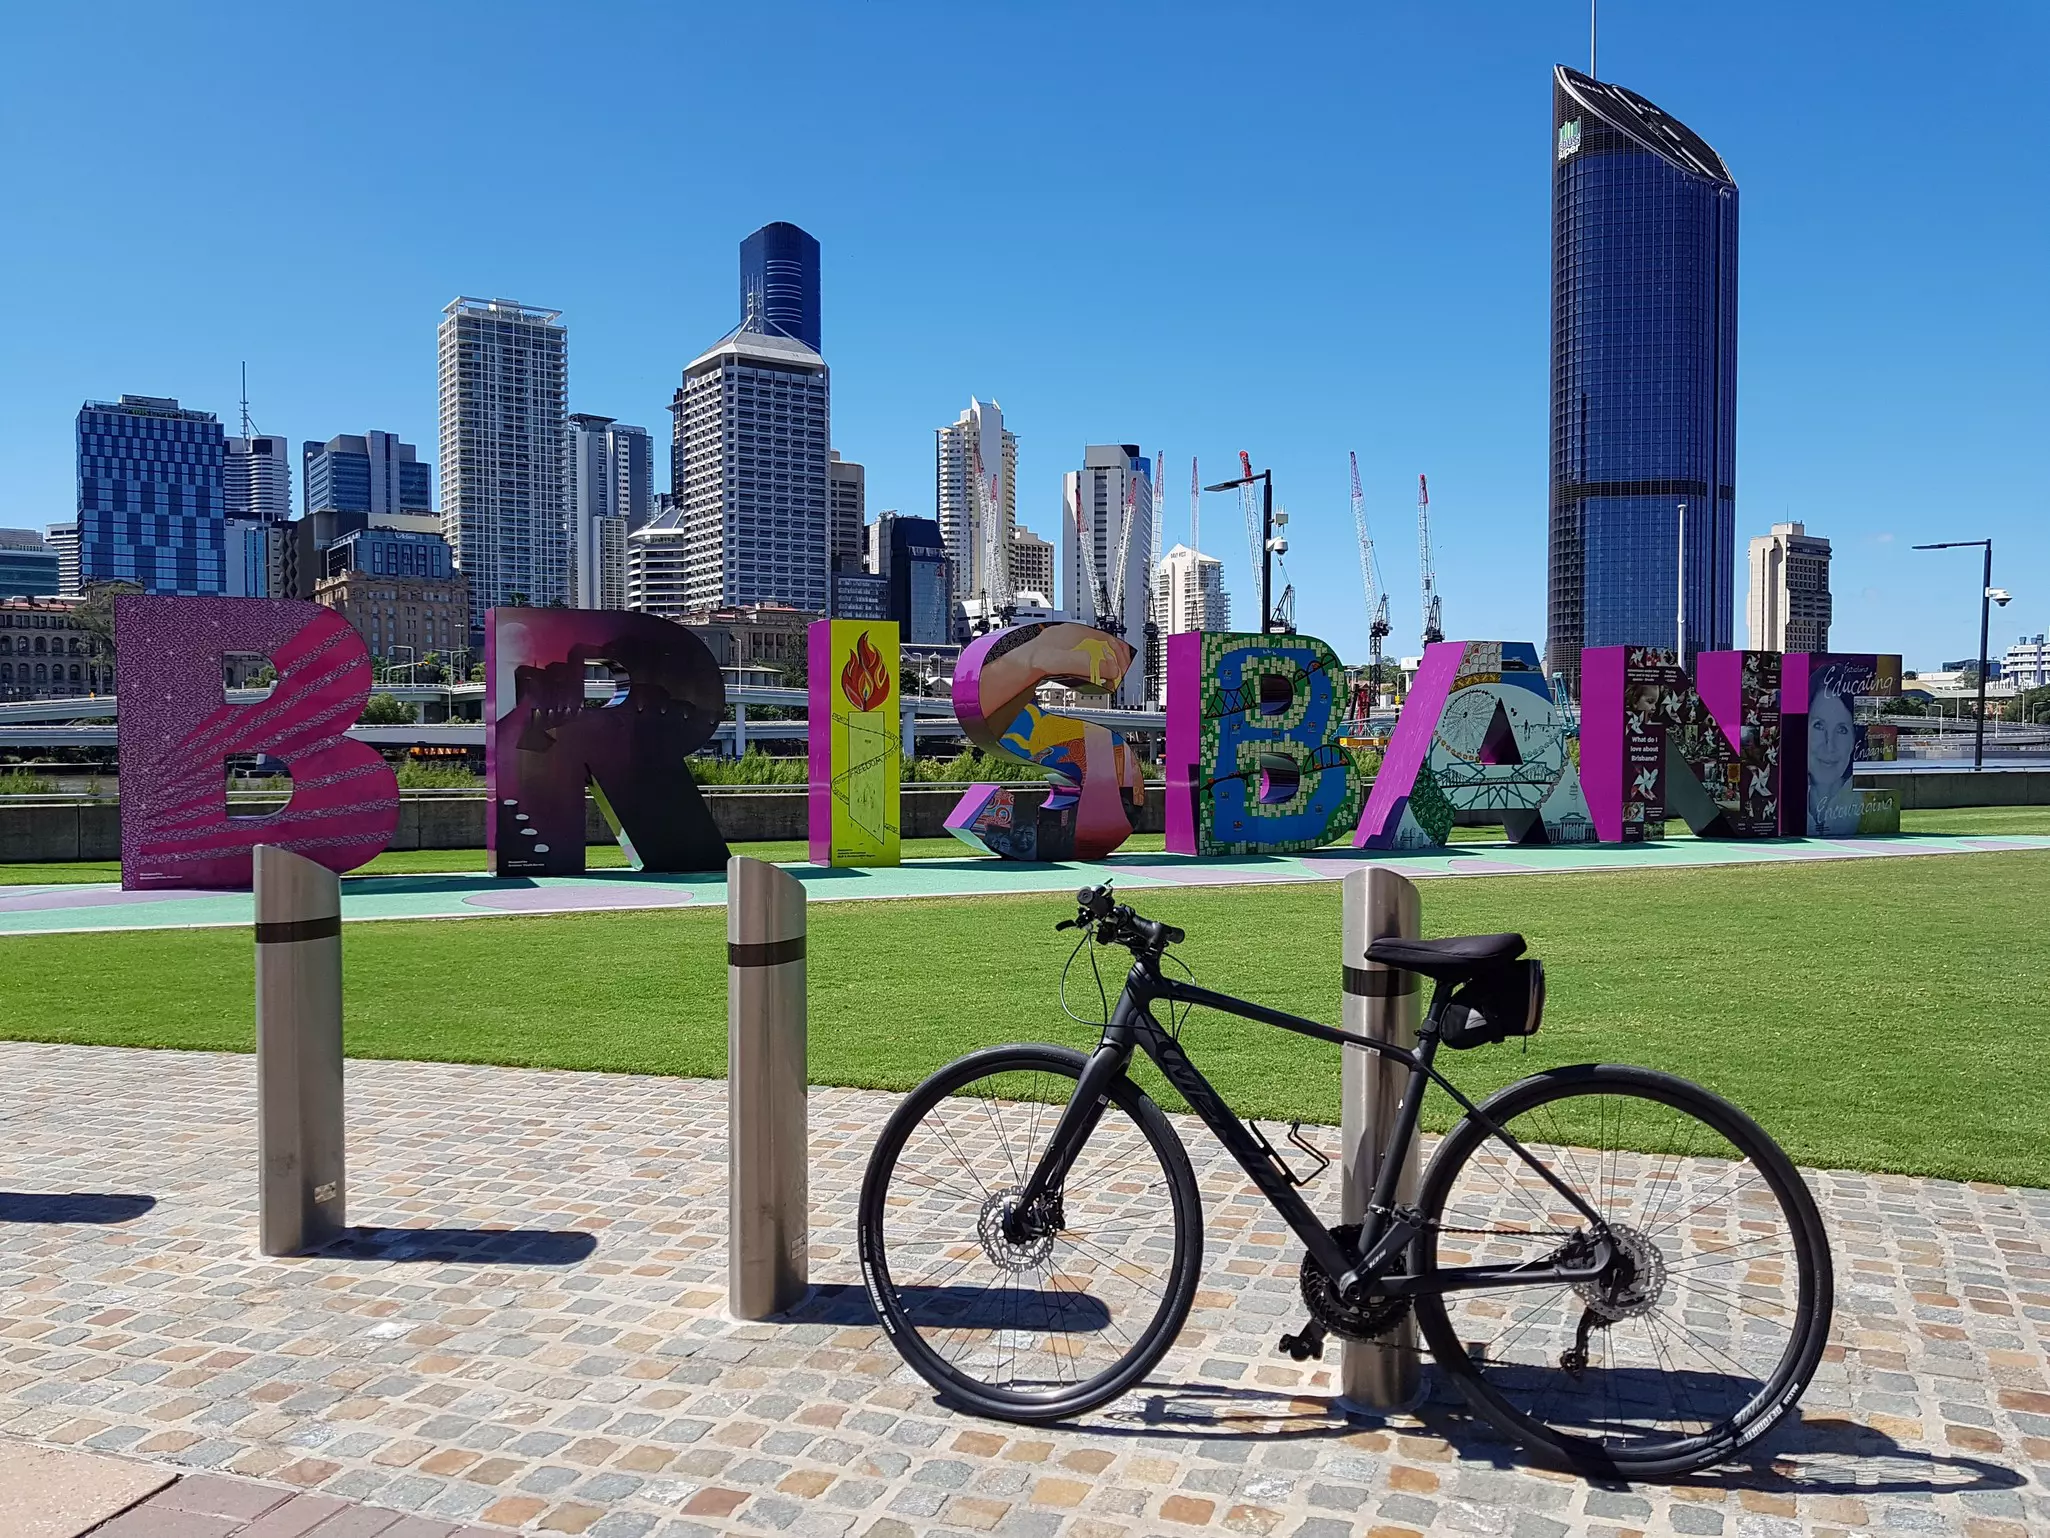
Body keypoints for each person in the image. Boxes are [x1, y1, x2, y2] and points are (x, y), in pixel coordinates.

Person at [1806, 672, 1863, 834]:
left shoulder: (1869, 804)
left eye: (1842, 730)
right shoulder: (1779, 802)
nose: (1829, 745)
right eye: (1819, 726)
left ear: (1854, 740)